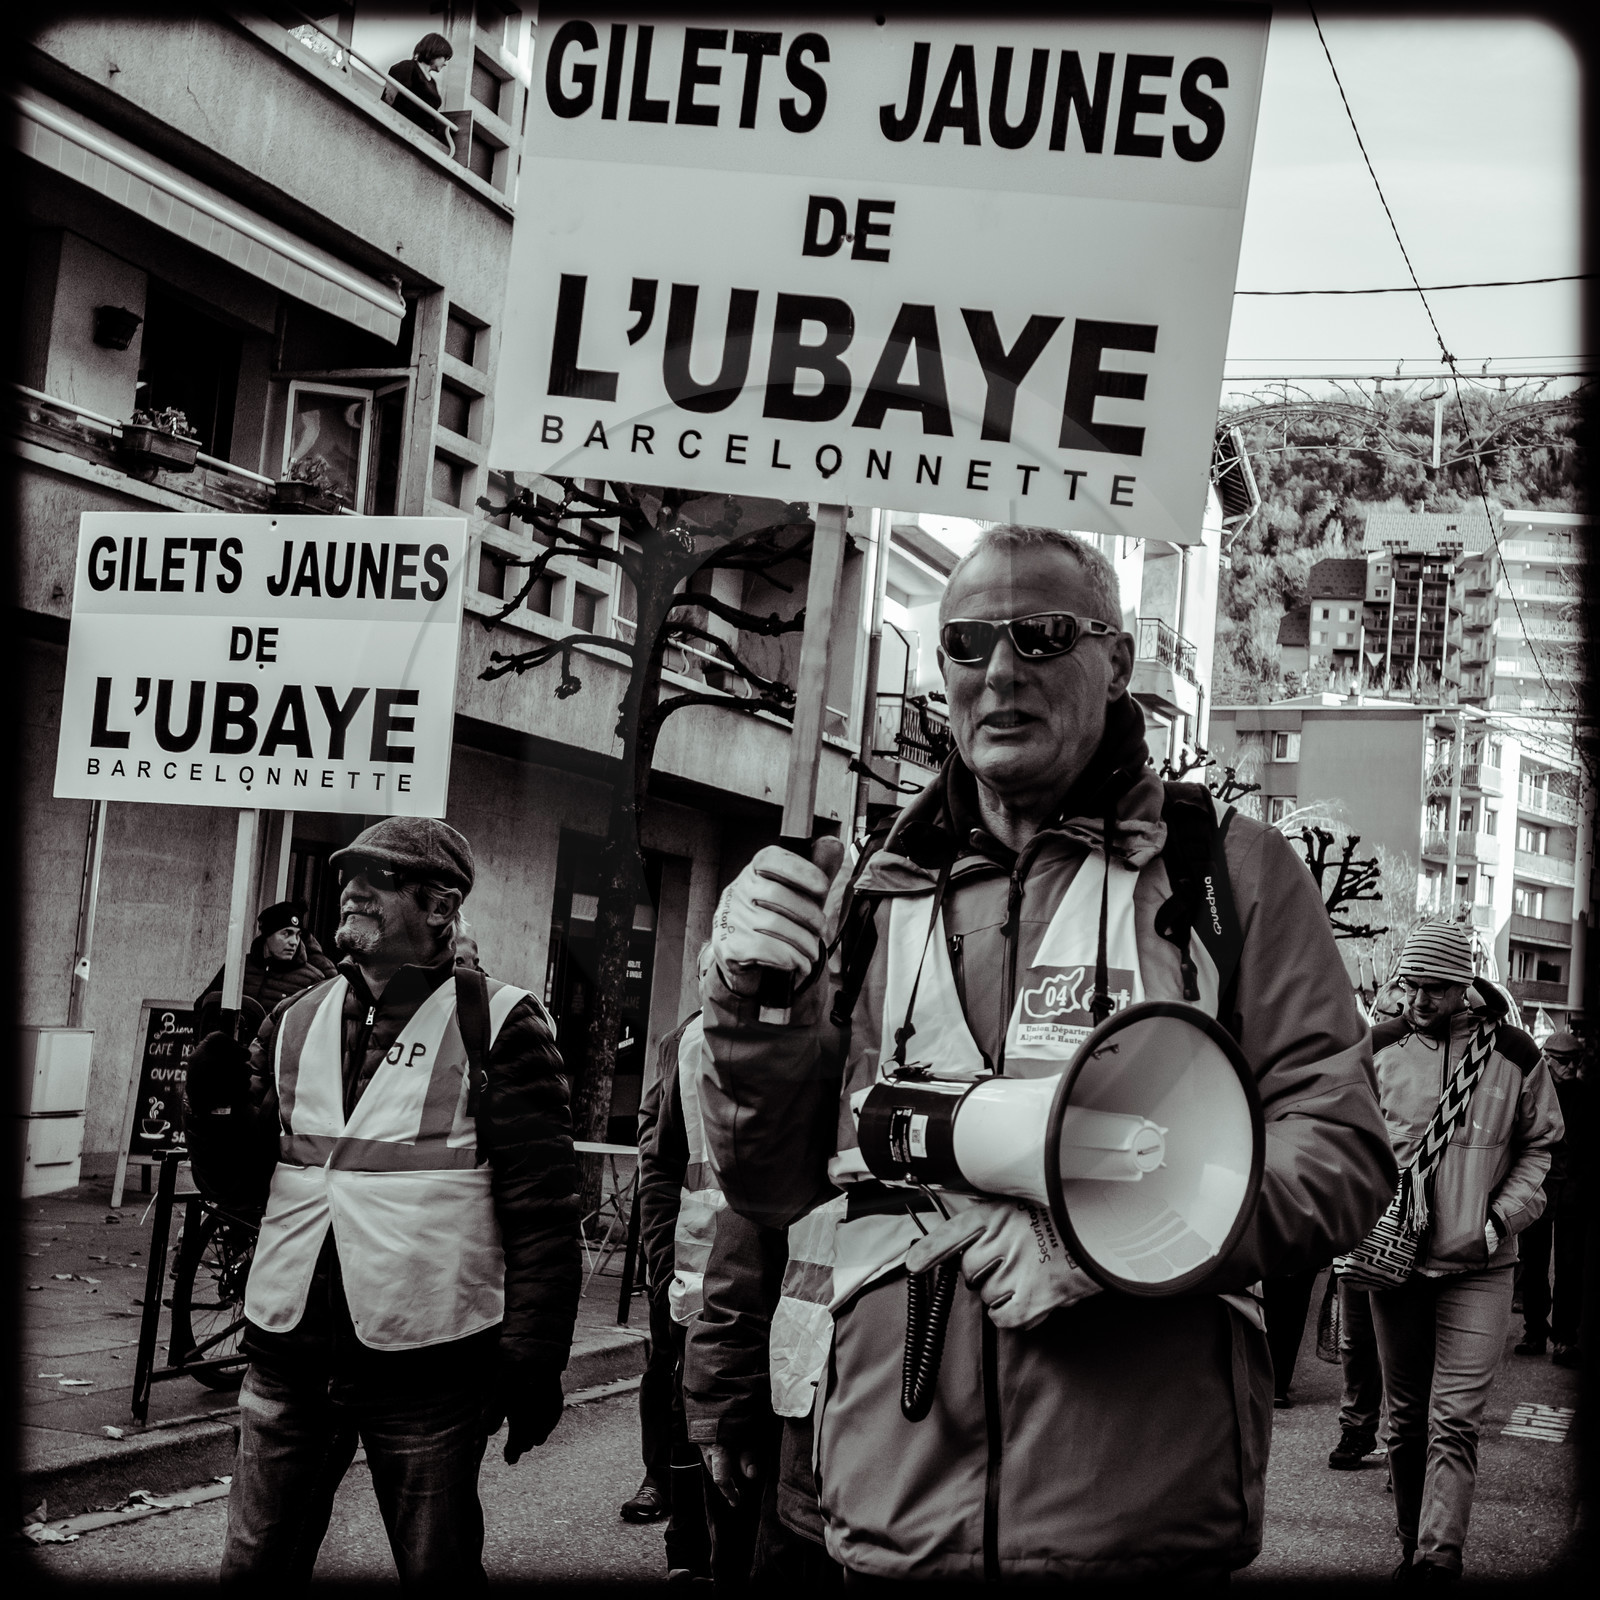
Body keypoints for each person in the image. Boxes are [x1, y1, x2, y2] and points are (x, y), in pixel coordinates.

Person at [697, 524, 1397, 1582]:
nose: (1000, 672)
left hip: (1136, 1519)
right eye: (967, 641)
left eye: (1043, 634)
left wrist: (1108, 1246)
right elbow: (772, 1184)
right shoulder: (869, 893)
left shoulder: (1228, 873)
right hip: (894, 1508)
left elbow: (1338, 1150)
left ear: (1116, 663)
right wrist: (748, 1010)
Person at [183, 817, 581, 1585]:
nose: (353, 890)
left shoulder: (500, 1021)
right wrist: (214, 1114)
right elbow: (242, 1191)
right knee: (254, 1567)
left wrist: (534, 1359)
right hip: (289, 1355)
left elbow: (544, 1212)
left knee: (438, 1570)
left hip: (428, 1364)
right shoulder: (294, 1018)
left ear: (441, 907)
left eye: (382, 878)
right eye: (348, 875)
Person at [1367, 920, 1561, 1582]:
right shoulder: (1379, 1046)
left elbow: (1540, 1145)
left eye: (1436, 988)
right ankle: (1411, 1544)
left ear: (1463, 986)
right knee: (1405, 1420)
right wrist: (1357, 1217)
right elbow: (1346, 1143)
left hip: (1480, 1264)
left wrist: (1500, 1220)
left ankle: (1436, 1561)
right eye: (1411, 984)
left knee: (1453, 1420)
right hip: (1395, 1260)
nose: (1419, 999)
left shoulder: (1512, 1051)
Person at [626, 987, 714, 1585]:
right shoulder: (682, 1042)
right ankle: (660, 1479)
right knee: (668, 1374)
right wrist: (661, 1262)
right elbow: (657, 1152)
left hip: (743, 1270)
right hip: (686, 1258)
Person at [1515, 1030, 1588, 1367]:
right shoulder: (1532, 1091)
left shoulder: (1586, 1096)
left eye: (1576, 1060)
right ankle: (1534, 1332)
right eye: (1564, 1061)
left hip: (1574, 1192)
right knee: (1534, 1264)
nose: (1571, 1066)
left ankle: (1565, 1338)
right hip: (1539, 1188)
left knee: (1570, 1267)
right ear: (1547, 1059)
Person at [197, 900, 337, 1023]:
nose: (294, 942)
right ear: (267, 935)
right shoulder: (239, 966)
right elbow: (203, 1007)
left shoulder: (312, 980)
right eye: (286, 933)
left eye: (297, 935)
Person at [386, 31, 453, 144]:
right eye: (445, 58)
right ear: (435, 52)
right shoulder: (407, 67)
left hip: (424, 137)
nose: (445, 63)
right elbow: (389, 97)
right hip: (403, 131)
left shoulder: (432, 83)